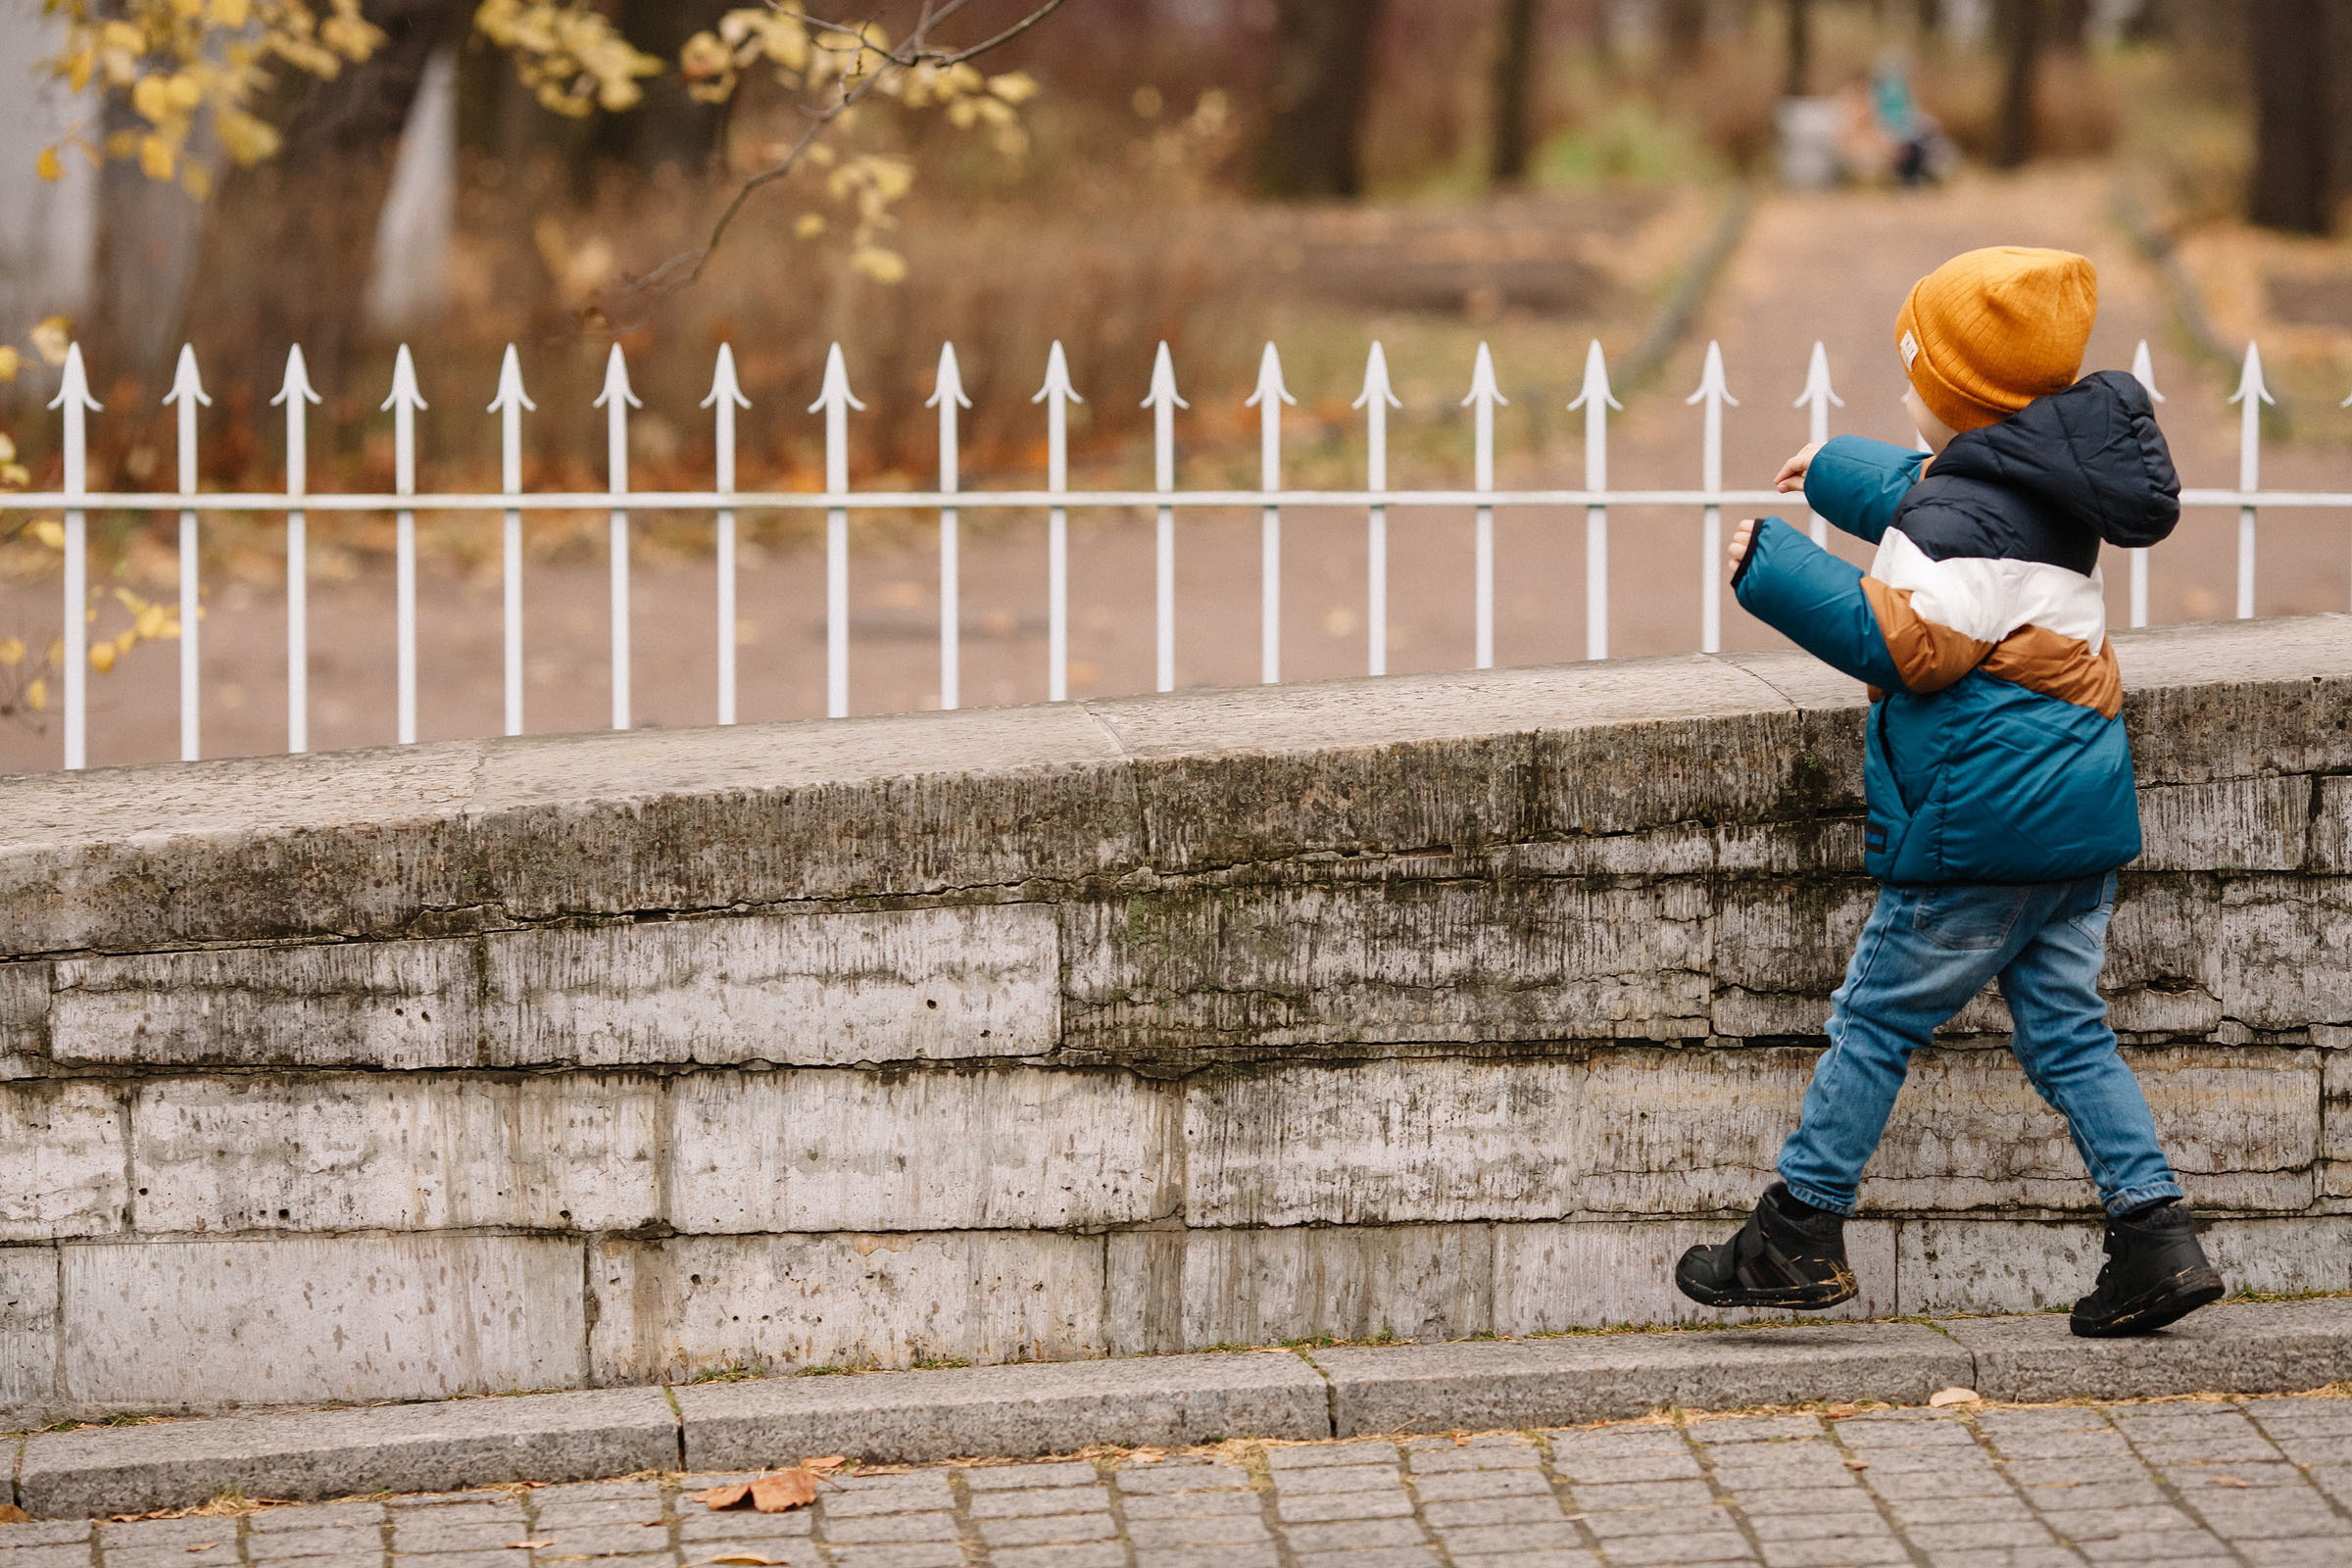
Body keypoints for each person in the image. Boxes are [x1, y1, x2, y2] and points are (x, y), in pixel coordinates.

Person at [1673, 246, 2226, 1338]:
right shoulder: (2044, 482)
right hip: (2071, 822)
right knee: (2069, 1034)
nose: (1909, 391)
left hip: (1986, 823)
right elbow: (1936, 494)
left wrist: (1774, 568)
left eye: (1917, 374)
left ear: (1959, 394)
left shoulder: (1958, 520)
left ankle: (1798, 1232)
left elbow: (1914, 643)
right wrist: (1832, 464)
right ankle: (2156, 1237)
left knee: (1873, 1019)